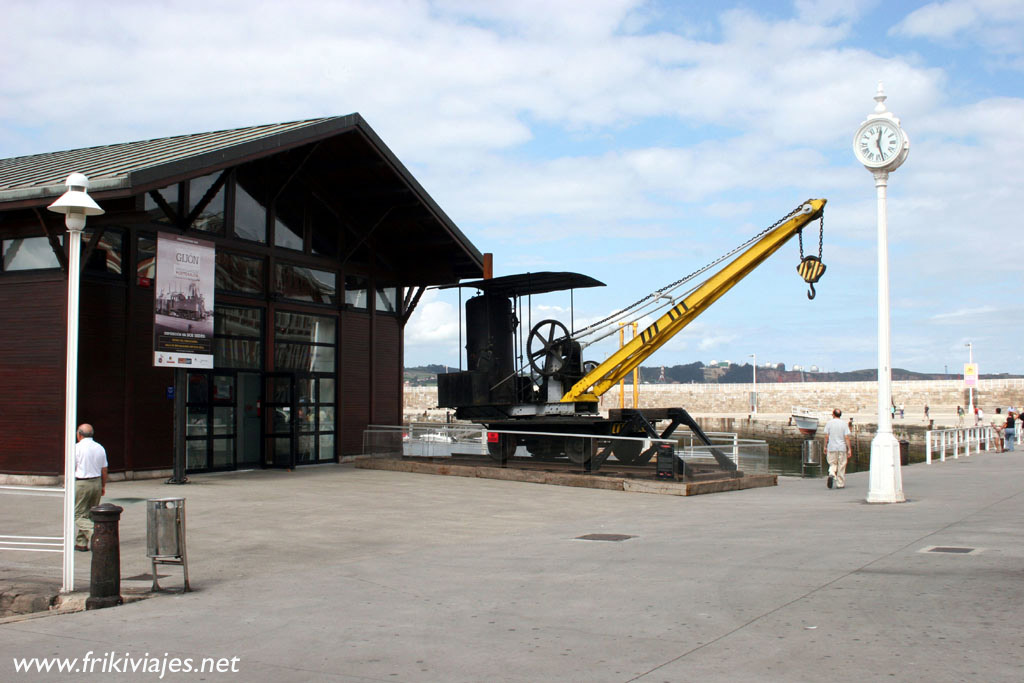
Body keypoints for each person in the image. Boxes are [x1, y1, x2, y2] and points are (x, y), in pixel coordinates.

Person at [73, 423, 108, 552]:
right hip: (96, 482)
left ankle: (96, 532)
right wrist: (103, 485)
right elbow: (104, 469)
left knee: (77, 514)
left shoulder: (77, 448)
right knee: (90, 513)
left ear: (79, 435)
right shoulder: (99, 448)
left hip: (82, 483)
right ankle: (81, 543)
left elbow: (72, 468)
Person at [823, 408, 852, 490]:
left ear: (833, 414)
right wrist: (849, 449)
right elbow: (846, 437)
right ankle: (840, 483)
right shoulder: (844, 424)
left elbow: (826, 436)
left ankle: (832, 473)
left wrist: (825, 446)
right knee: (842, 465)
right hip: (842, 447)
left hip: (831, 447)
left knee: (832, 463)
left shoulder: (829, 423)